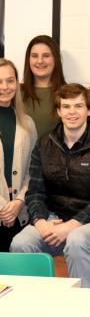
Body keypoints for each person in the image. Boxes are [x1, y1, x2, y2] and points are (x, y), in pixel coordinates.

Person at [11, 83, 90, 288]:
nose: (72, 112)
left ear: (89, 110)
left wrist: (71, 226)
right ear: (59, 111)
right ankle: (37, 304)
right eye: (66, 106)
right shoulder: (44, 144)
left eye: (78, 106)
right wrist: (41, 222)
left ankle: (80, 308)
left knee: (76, 240)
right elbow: (35, 192)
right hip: (52, 217)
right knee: (20, 243)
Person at [0, 59, 37, 251]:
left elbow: (33, 170)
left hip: (18, 216)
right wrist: (3, 208)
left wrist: (19, 201)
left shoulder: (27, 123)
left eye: (10, 80)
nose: (5, 87)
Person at [21, 35, 66, 137]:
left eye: (46, 55)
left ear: (56, 59)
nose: (40, 61)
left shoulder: (68, 94)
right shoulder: (15, 92)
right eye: (34, 56)